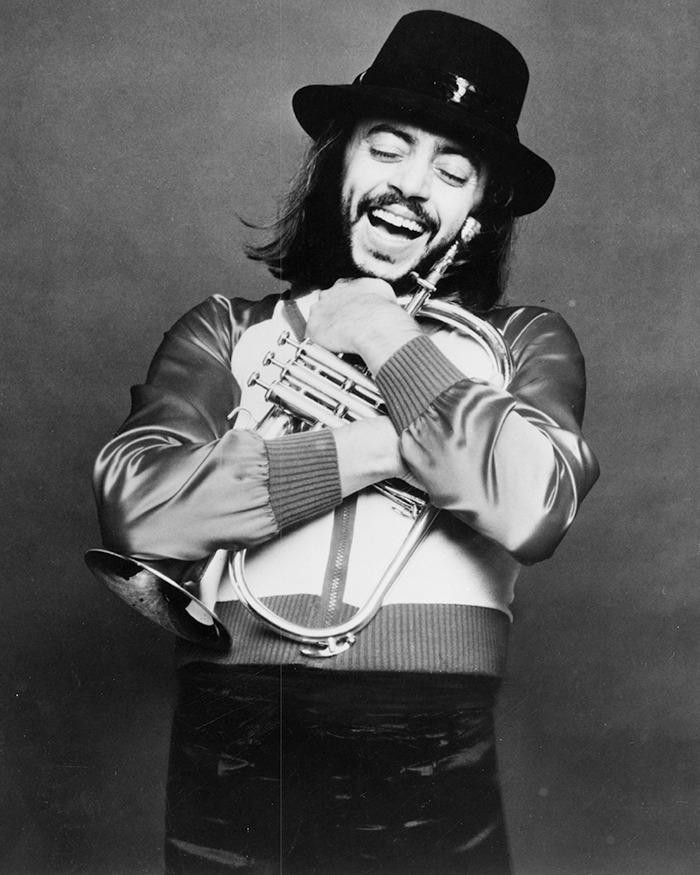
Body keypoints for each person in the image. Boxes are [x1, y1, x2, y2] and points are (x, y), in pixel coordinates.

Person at [91, 10, 599, 874]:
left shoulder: (522, 341)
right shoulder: (225, 327)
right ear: (338, 163)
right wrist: (381, 446)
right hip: (232, 730)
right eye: (387, 149)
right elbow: (140, 511)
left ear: (479, 214)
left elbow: (532, 506)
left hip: (433, 742)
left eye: (453, 171)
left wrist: (381, 331)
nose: (412, 185)